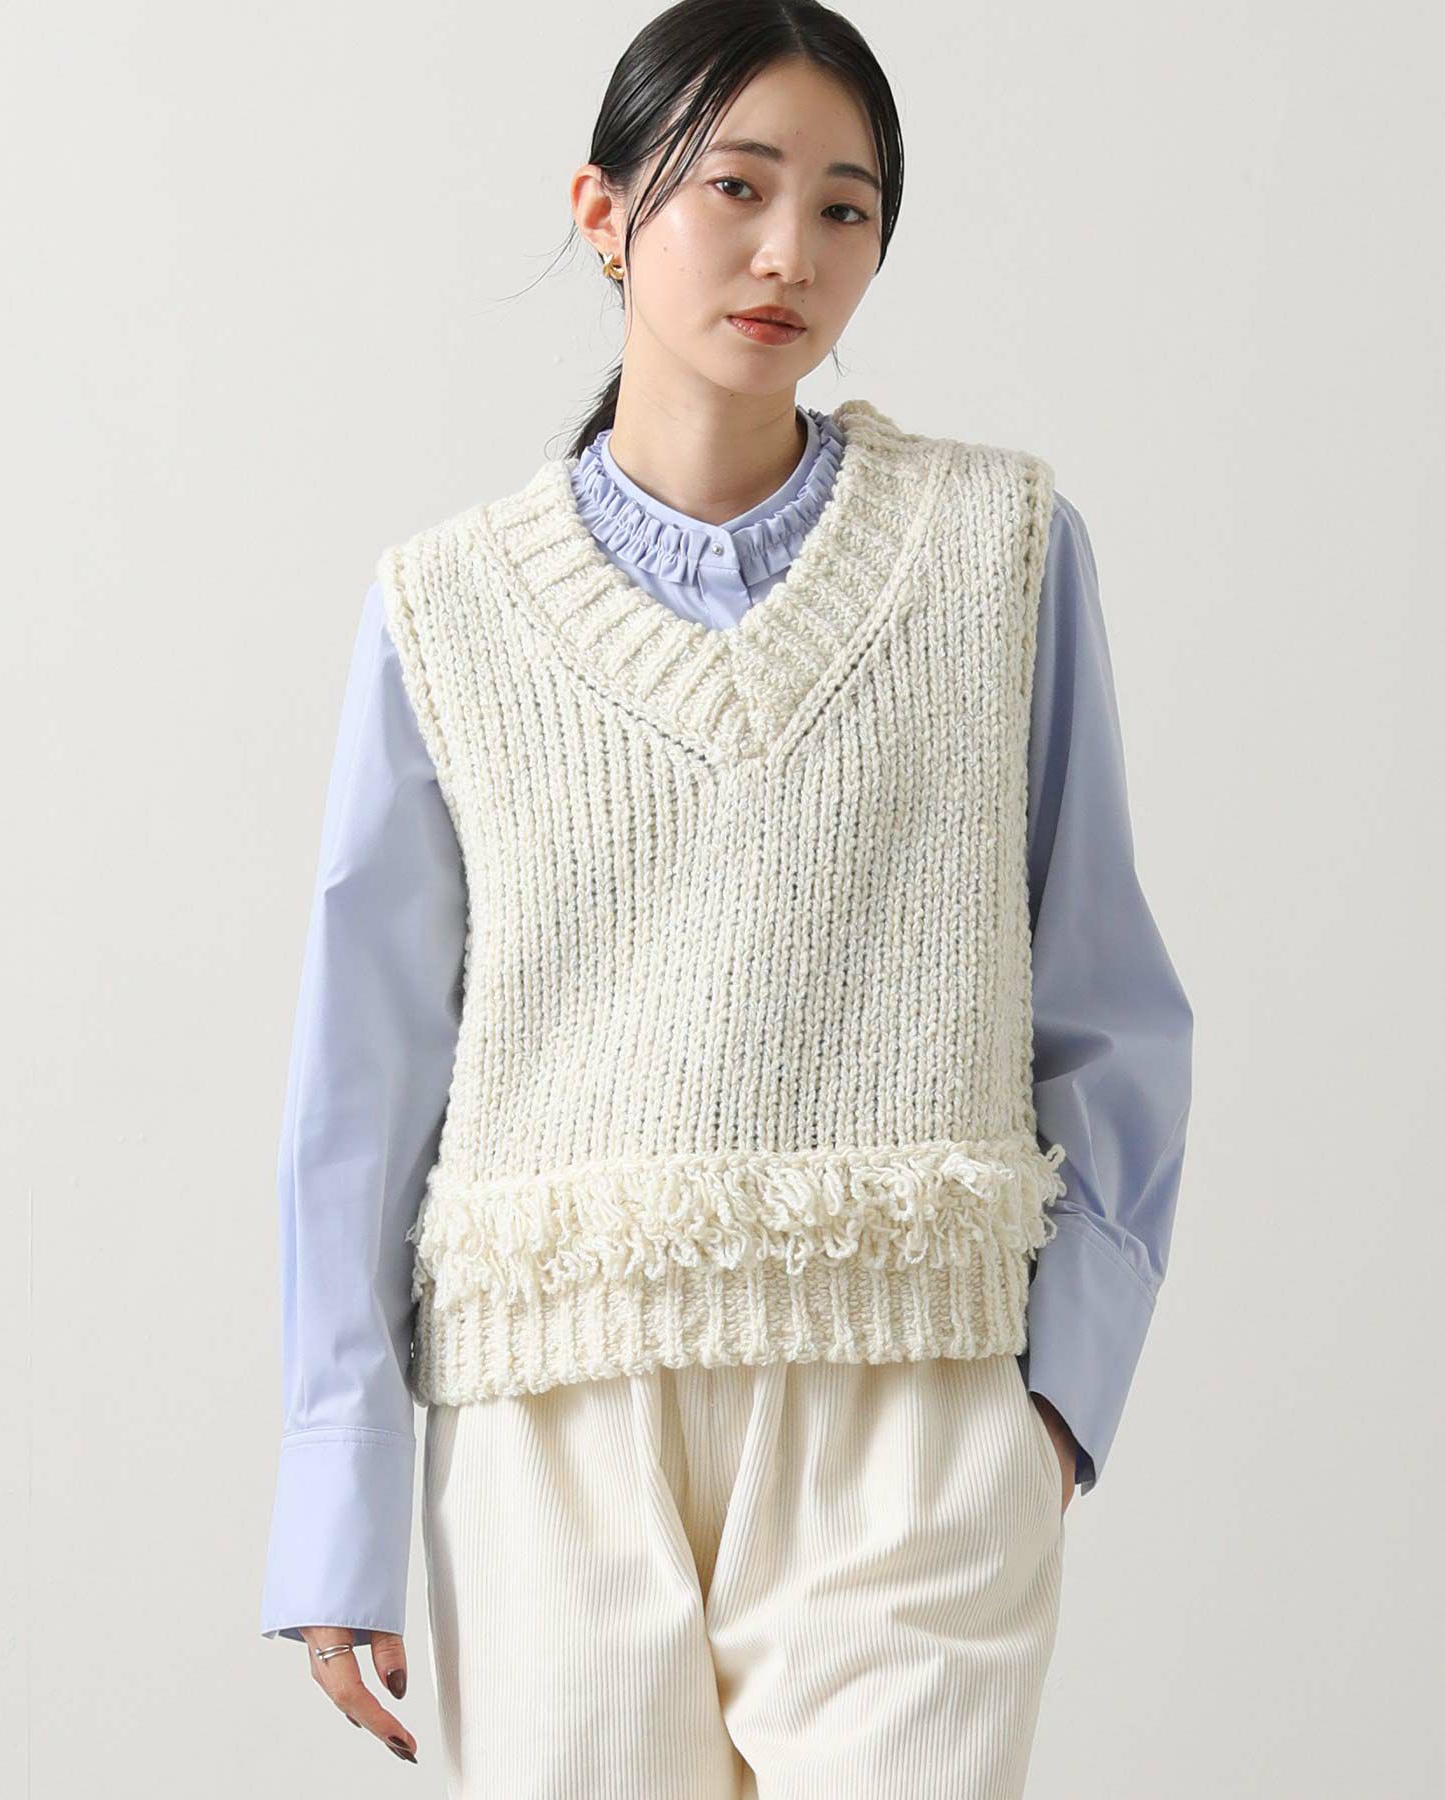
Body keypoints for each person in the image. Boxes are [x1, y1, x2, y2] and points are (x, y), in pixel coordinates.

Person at [259, 3, 1194, 1792]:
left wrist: (1058, 1401)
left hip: (908, 1406)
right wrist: (339, 1496)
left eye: (846, 209)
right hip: (550, 1423)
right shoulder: (445, 612)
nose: (790, 253)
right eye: (736, 188)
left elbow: (1107, 1002)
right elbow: (361, 1088)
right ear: (605, 214)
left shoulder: (998, 552)